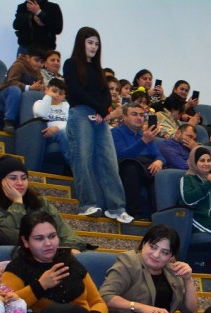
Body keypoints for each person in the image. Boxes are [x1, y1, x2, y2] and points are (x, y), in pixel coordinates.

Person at [2, 211, 121, 313]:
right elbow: (4, 304)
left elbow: (97, 301)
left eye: (52, 236)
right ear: (25, 242)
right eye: (39, 238)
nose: (48, 243)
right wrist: (40, 285)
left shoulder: (69, 261)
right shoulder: (18, 267)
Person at [61, 28, 131, 223]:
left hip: (100, 117)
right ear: (81, 43)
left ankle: (117, 208)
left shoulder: (98, 70)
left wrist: (103, 111)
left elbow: (106, 95)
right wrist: (99, 108)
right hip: (81, 113)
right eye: (90, 42)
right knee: (82, 159)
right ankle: (86, 204)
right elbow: (76, 91)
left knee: (109, 160)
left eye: (96, 44)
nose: (93, 47)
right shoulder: (70, 64)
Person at [98, 225, 200, 313]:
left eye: (165, 252)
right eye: (153, 247)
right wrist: (142, 308)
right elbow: (105, 296)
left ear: (171, 256)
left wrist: (188, 279)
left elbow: (191, 311)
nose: (156, 255)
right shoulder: (129, 262)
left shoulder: (172, 271)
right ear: (143, 244)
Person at [0, 156, 86, 250]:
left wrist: (72, 248)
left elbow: (63, 229)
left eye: (24, 178)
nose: (20, 183)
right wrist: (17, 203)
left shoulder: (38, 201)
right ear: (2, 181)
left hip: (53, 250)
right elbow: (9, 234)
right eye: (13, 178)